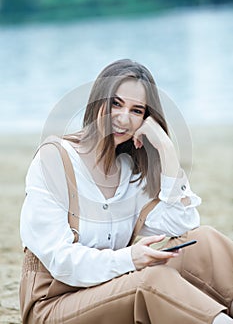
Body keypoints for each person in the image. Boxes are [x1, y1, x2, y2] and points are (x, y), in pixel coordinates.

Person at [19, 59, 233, 324]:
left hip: (110, 289)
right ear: (98, 101)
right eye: (116, 103)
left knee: (204, 241)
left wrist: (165, 148)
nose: (122, 118)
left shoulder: (128, 169)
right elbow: (61, 261)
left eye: (136, 110)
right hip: (54, 305)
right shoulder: (54, 160)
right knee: (152, 280)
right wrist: (131, 258)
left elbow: (184, 222)